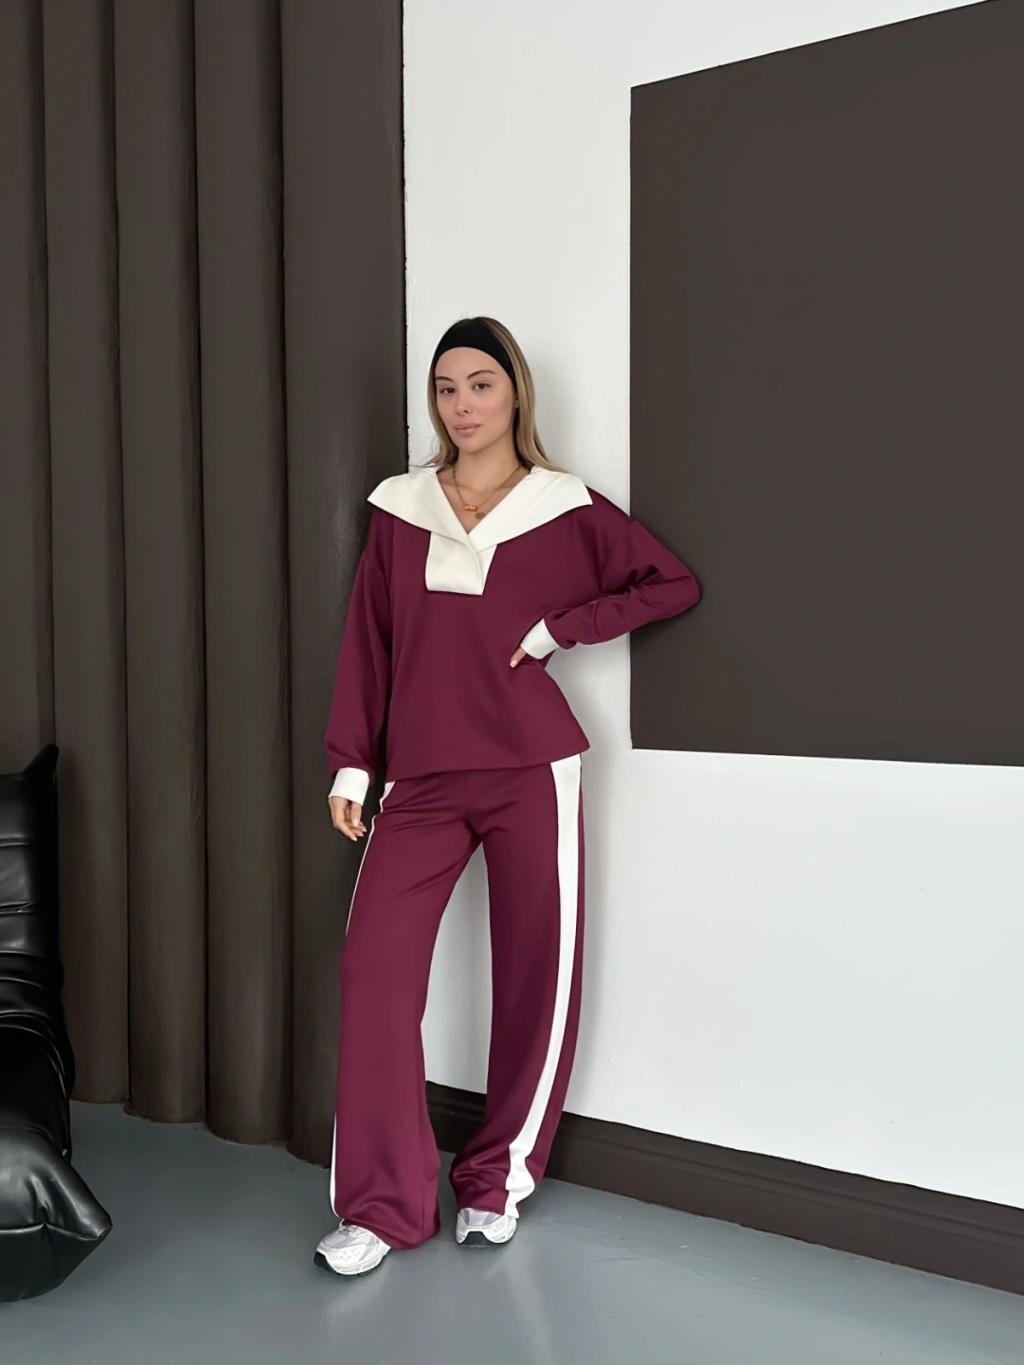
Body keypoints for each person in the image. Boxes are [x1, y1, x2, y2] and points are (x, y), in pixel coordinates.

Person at [315, 316, 700, 1277]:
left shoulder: (564, 507)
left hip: (533, 767)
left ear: (515, 392)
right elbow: (369, 642)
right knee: (373, 973)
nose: (462, 405)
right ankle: (379, 1205)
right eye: (446, 388)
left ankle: (496, 1179)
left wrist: (562, 629)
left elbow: (670, 583)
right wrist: (353, 762)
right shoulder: (400, 506)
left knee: (537, 975)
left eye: (480, 384)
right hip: (420, 777)